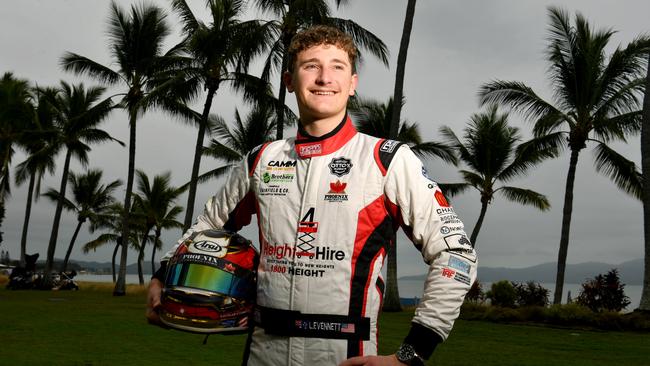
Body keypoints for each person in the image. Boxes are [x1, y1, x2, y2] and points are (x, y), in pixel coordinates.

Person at [147, 25, 477, 366]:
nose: (324, 77)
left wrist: (412, 354)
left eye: (337, 66)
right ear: (289, 81)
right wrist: (162, 274)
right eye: (311, 66)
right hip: (263, 354)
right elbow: (204, 227)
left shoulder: (387, 160)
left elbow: (457, 255)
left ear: (352, 85)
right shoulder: (262, 160)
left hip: (345, 357)